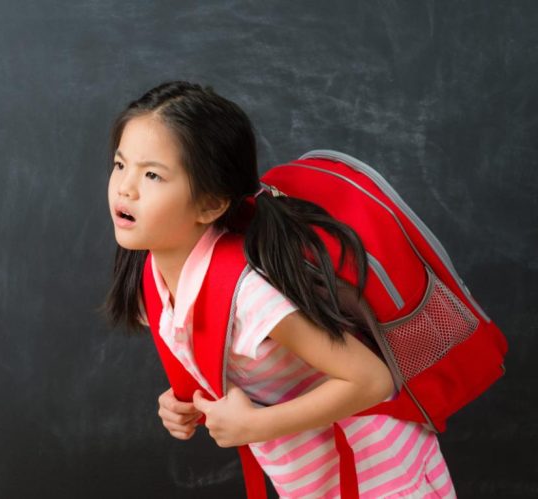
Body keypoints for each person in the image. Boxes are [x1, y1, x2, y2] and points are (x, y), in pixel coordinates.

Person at [104, 81, 455, 498]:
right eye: (120, 164)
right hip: (311, 478)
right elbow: (239, 363)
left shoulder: (250, 297)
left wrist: (254, 425)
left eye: (152, 175)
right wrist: (187, 400)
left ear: (211, 204)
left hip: (380, 473)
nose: (125, 187)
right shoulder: (154, 277)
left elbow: (372, 380)